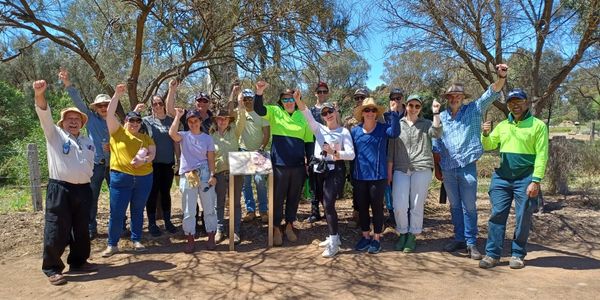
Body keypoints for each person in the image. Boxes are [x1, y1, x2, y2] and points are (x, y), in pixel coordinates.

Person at [433, 64, 508, 260]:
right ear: (447, 99)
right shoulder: (441, 116)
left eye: (458, 95)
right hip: (448, 167)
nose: (454, 98)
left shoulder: (473, 109)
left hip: (467, 165)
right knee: (455, 206)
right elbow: (436, 139)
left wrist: (501, 77)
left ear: (462, 97)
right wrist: (437, 166)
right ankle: (459, 237)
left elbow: (490, 94)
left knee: (470, 206)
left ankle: (471, 242)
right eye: (451, 96)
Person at [33, 79, 98, 285]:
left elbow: (91, 166)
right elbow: (44, 113)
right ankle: (52, 267)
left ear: (82, 123)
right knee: (57, 228)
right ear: (62, 122)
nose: (73, 121)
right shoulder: (55, 135)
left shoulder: (88, 142)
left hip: (84, 190)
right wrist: (40, 94)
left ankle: (78, 262)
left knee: (81, 228)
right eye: (69, 119)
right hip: (60, 189)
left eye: (77, 119)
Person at [478, 89, 548, 269]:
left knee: (523, 216)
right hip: (502, 178)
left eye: (519, 101)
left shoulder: (538, 125)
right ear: (507, 105)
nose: (515, 105)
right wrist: (485, 134)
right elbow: (489, 145)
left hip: (525, 178)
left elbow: (542, 155)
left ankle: (517, 254)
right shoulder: (502, 126)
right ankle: (492, 254)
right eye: (511, 102)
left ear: (526, 103)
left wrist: (536, 180)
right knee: (497, 215)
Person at [254, 81, 314, 246]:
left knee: (294, 197)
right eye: (285, 99)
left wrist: (309, 161)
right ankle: (275, 228)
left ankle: (289, 225)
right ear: (281, 102)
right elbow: (259, 109)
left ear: (296, 100)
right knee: (277, 198)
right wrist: (259, 92)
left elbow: (309, 141)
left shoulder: (303, 115)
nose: (288, 102)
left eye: (291, 99)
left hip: (298, 166)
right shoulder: (275, 111)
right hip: (278, 165)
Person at [296, 97, 355, 257]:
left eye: (330, 111)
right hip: (319, 169)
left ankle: (335, 241)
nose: (328, 114)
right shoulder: (319, 129)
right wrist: (298, 100)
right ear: (322, 116)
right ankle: (333, 235)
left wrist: (334, 153)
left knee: (329, 204)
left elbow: (351, 154)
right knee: (324, 203)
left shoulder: (344, 132)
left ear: (336, 112)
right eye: (324, 113)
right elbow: (306, 113)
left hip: (335, 170)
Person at [102, 84, 156, 257]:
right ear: (125, 121)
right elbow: (110, 113)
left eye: (137, 121)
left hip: (144, 178)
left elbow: (152, 154)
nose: (134, 124)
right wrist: (117, 95)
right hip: (120, 178)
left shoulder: (145, 138)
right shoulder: (117, 132)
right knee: (117, 212)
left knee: (138, 211)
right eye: (131, 120)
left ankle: (137, 240)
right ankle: (112, 244)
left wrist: (144, 161)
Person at [59, 69, 111, 240]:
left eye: (106, 105)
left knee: (116, 197)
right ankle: (91, 228)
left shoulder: (116, 121)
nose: (104, 108)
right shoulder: (90, 118)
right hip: (96, 165)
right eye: (101, 105)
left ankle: (119, 225)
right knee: (92, 197)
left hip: (114, 166)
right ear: (96, 108)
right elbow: (78, 102)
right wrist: (68, 84)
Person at [387, 95, 442, 253]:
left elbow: (437, 133)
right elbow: (390, 151)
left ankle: (412, 235)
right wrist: (389, 173)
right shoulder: (398, 124)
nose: (413, 109)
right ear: (406, 106)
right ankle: (402, 232)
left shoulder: (426, 124)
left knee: (417, 205)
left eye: (417, 106)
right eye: (411, 105)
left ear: (420, 109)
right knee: (399, 205)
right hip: (401, 168)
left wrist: (436, 113)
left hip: (421, 167)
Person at [352, 97, 401, 254]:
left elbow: (395, 132)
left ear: (376, 113)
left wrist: (393, 113)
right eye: (367, 110)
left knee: (377, 208)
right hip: (359, 177)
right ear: (362, 113)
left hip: (378, 177)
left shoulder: (382, 129)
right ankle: (366, 236)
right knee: (363, 209)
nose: (370, 113)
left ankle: (377, 239)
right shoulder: (355, 131)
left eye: (373, 110)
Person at [166, 80, 213, 234]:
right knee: (191, 201)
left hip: (207, 164)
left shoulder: (213, 118)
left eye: (205, 101)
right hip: (189, 166)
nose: (202, 103)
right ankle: (194, 228)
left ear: (209, 103)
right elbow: (170, 110)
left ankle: (209, 227)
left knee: (208, 200)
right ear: (195, 103)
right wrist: (172, 90)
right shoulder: (188, 115)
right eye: (199, 100)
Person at [169, 108, 218, 253]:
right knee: (189, 209)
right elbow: (172, 134)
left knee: (209, 207)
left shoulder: (207, 138)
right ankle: (190, 238)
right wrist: (178, 116)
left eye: (195, 121)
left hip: (204, 174)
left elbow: (211, 159)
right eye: (190, 121)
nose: (193, 124)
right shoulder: (184, 136)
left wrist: (212, 175)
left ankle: (211, 236)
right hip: (188, 175)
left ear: (200, 121)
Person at [134, 94, 177, 237]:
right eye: (154, 104)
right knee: (152, 193)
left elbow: (176, 141)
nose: (157, 106)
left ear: (163, 104)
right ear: (152, 106)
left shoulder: (171, 121)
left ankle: (168, 222)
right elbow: (132, 125)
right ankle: (152, 223)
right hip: (151, 164)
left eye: (159, 103)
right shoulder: (146, 121)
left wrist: (178, 160)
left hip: (168, 163)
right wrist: (137, 110)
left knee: (166, 193)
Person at [211, 86, 247, 244]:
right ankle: (219, 229)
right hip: (219, 173)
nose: (222, 120)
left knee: (235, 203)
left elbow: (242, 117)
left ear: (228, 120)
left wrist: (239, 101)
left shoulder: (235, 132)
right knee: (218, 203)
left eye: (225, 118)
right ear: (216, 120)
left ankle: (235, 231)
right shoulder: (210, 135)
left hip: (235, 173)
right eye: (219, 118)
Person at [239, 88, 271, 223]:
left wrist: (262, 147)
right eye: (245, 99)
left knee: (259, 181)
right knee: (246, 183)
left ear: (254, 99)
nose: (247, 101)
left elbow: (266, 134)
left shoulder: (261, 113)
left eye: (250, 98)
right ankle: (250, 210)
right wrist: (235, 94)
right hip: (243, 151)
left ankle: (263, 210)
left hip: (259, 152)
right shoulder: (239, 113)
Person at [305, 81, 331, 223]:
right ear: (315, 93)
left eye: (324, 91)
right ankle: (315, 211)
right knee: (313, 181)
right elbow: (306, 132)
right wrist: (305, 153)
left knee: (326, 182)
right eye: (319, 91)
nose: (321, 94)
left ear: (327, 93)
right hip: (312, 149)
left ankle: (328, 210)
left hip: (328, 150)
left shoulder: (331, 109)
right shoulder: (310, 111)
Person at [383, 88, 406, 227]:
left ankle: (404, 215)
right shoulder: (386, 116)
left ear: (402, 99)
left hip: (405, 157)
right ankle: (391, 214)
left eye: (398, 98)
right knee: (388, 187)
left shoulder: (410, 113)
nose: (395, 101)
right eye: (393, 98)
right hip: (389, 155)